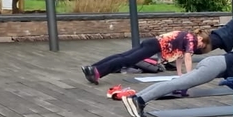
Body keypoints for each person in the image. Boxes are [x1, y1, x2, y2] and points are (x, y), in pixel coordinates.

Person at [120, 44, 233, 117]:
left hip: (214, 64)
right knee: (179, 84)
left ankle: (137, 97)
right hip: (215, 66)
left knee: (178, 82)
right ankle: (140, 100)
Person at [82, 29, 210, 84]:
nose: (199, 47)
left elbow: (179, 59)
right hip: (154, 46)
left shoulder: (187, 37)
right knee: (126, 60)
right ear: (201, 39)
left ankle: (92, 68)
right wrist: (191, 76)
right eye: (202, 45)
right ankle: (97, 71)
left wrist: (180, 76)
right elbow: (188, 58)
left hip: (151, 42)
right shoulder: (192, 40)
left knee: (123, 56)